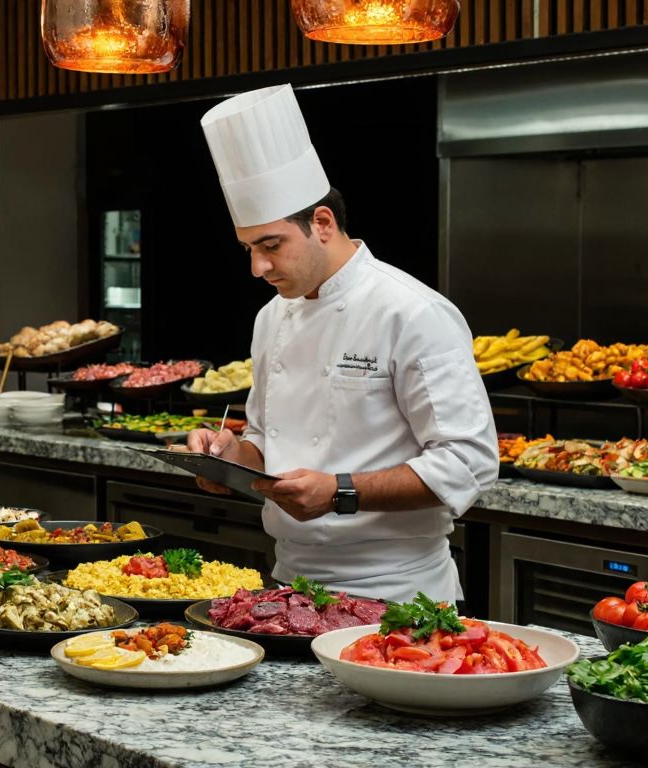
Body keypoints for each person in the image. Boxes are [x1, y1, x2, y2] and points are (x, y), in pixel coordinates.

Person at [185, 84, 498, 604]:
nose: (257, 267)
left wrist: (340, 493)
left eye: (271, 246)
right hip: (289, 585)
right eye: (248, 249)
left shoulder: (413, 312)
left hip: (398, 595)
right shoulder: (271, 317)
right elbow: (267, 442)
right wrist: (230, 456)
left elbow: (469, 461)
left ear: (323, 224)